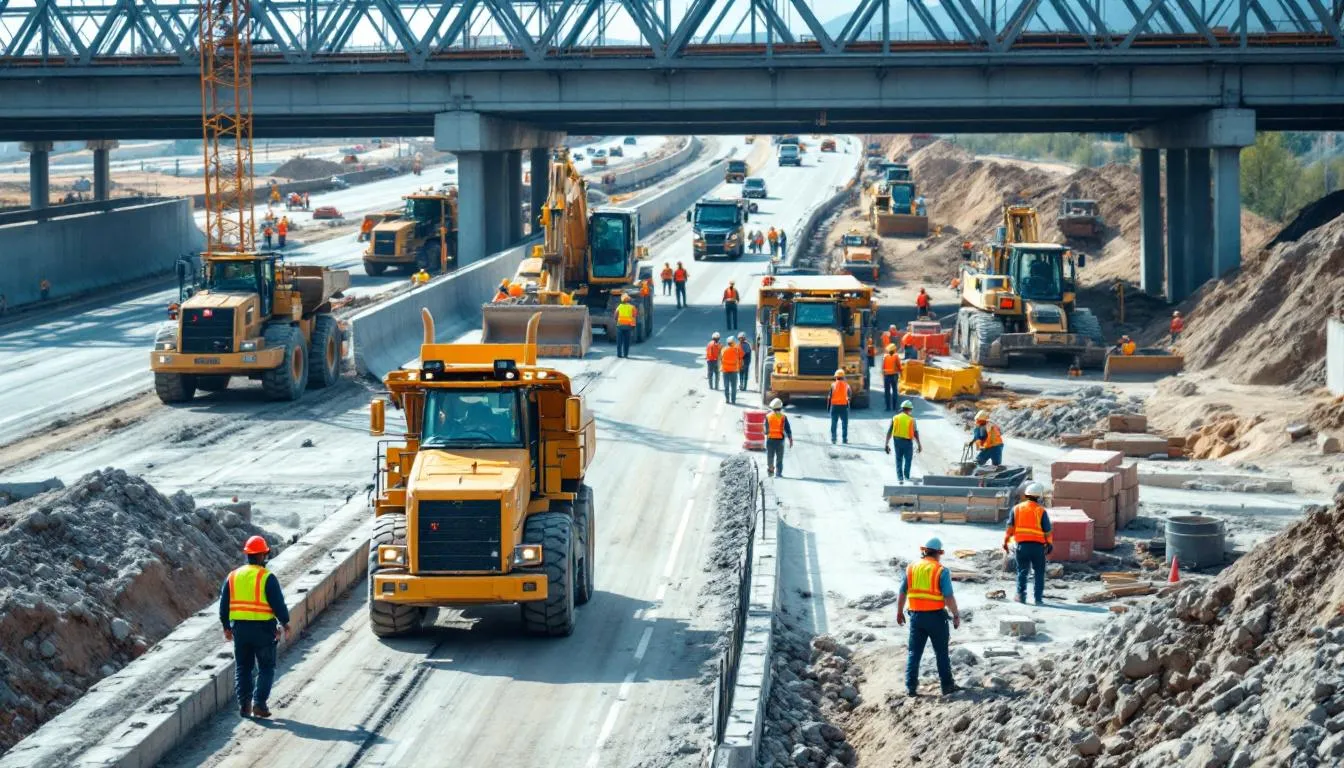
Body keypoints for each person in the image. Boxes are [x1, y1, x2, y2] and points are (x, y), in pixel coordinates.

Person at [220, 535, 291, 719]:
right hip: (263, 631)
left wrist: (226, 627)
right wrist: (285, 623)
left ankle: (244, 706)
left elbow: (223, 604)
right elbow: (278, 604)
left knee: (243, 667)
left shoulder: (233, 576)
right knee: (266, 667)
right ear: (262, 555)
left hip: (240, 631)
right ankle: (259, 704)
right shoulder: (267, 577)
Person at [897, 537, 960, 697]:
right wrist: (956, 614)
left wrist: (899, 612)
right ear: (939, 553)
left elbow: (902, 592)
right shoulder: (941, 570)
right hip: (936, 618)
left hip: (916, 617)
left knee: (914, 653)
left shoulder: (911, 568)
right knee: (941, 653)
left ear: (924, 551)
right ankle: (947, 686)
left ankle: (910, 688)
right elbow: (948, 597)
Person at [1004, 482, 1053, 605]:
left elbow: (1010, 528)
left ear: (1026, 495)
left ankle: (1021, 596)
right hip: (1037, 548)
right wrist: (1049, 544)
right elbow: (1047, 530)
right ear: (1039, 497)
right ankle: (1038, 598)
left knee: (1022, 571)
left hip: (1022, 547)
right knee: (1039, 572)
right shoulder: (1041, 511)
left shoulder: (1016, 509)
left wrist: (1006, 542)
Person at [884, 400, 922, 484]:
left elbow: (889, 431)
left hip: (897, 441)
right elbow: (915, 433)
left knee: (898, 459)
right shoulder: (912, 420)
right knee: (908, 459)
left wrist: (886, 444)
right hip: (908, 442)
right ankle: (906, 476)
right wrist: (919, 444)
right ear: (910, 409)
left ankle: (900, 477)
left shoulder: (895, 418)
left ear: (902, 408)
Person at [765, 398, 793, 477]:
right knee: (779, 458)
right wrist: (790, 439)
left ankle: (770, 471)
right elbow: (788, 429)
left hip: (770, 440)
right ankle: (778, 473)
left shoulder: (768, 416)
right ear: (780, 407)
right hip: (780, 441)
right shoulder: (783, 417)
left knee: (770, 456)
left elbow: (766, 430)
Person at [827, 369, 851, 445]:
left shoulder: (833, 385)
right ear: (843, 377)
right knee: (844, 424)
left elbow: (829, 397)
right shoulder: (847, 385)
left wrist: (828, 408)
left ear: (836, 377)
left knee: (834, 423)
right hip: (843, 406)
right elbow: (849, 395)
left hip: (834, 406)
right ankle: (844, 439)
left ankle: (833, 439)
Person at [614, 294, 637, 358]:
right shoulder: (632, 307)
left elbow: (615, 316)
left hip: (620, 326)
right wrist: (633, 326)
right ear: (629, 300)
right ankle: (626, 354)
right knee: (626, 342)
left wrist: (617, 322)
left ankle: (619, 354)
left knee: (619, 341)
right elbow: (634, 317)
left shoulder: (619, 306)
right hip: (628, 327)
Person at [881, 343, 903, 410]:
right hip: (894, 376)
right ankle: (894, 407)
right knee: (894, 391)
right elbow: (899, 366)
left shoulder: (885, 357)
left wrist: (883, 376)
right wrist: (901, 372)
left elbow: (883, 367)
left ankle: (888, 407)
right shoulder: (896, 356)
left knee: (887, 392)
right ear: (894, 349)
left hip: (886, 376)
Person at [721, 338, 742, 404]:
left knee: (726, 386)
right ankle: (733, 400)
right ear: (733, 343)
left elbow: (721, 358)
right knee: (734, 387)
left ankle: (727, 399)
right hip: (734, 371)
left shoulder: (724, 349)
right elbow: (740, 358)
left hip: (725, 370)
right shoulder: (736, 350)